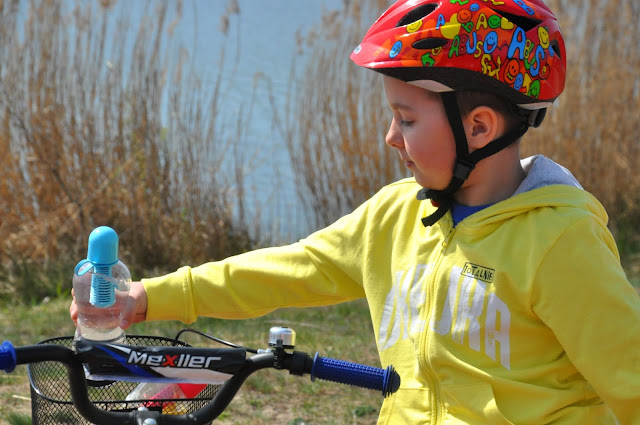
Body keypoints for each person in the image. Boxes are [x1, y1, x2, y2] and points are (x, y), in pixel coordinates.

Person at [71, 0, 640, 423]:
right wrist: (149, 297)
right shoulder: (395, 218)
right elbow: (291, 268)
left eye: (407, 118)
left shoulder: (559, 240)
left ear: (480, 128)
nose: (390, 136)